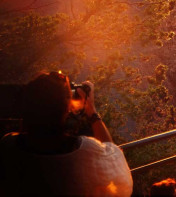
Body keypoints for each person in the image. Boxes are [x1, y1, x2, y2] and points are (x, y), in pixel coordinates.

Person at [0, 72, 133, 196]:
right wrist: (91, 110)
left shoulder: (8, 146)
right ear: (66, 109)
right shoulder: (85, 151)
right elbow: (115, 163)